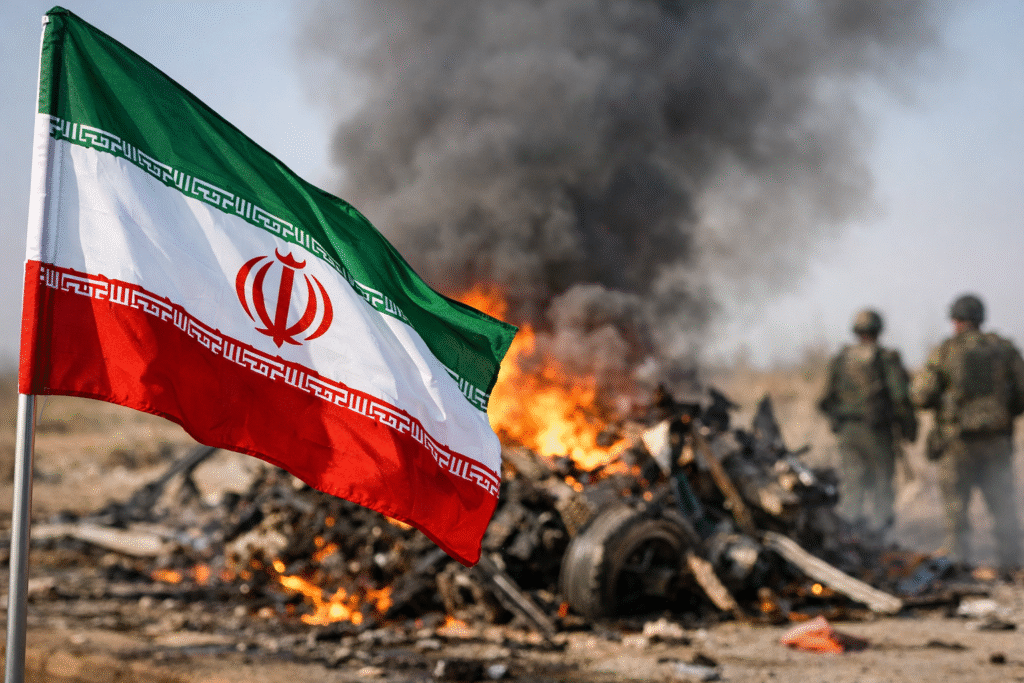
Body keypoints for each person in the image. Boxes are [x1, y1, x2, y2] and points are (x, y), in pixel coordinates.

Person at [912, 293, 1024, 568]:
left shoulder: (945, 351)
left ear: (955, 321)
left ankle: (959, 562)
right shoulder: (1005, 349)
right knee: (1003, 506)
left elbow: (921, 396)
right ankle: (1012, 564)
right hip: (996, 442)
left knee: (956, 510)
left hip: (956, 444)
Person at [818, 309, 918, 536]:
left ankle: (850, 537)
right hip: (878, 433)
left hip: (849, 433)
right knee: (882, 486)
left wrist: (838, 423)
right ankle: (879, 538)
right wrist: (908, 429)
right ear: (878, 330)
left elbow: (824, 401)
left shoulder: (841, 359)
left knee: (852, 485)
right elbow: (901, 398)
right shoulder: (885, 359)